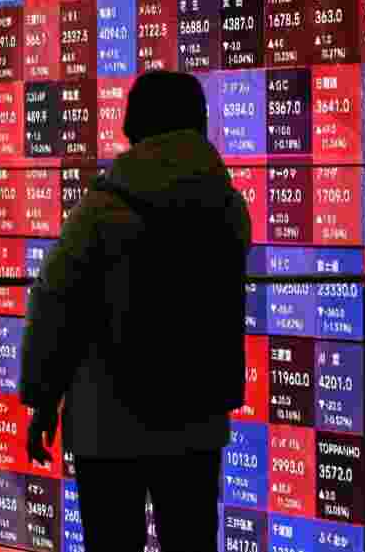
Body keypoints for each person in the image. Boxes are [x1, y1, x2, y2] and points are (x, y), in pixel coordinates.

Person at [19, 71, 251, 552]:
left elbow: (54, 303)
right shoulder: (227, 206)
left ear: (133, 123)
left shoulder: (102, 208)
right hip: (196, 419)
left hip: (108, 424)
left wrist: (43, 397)